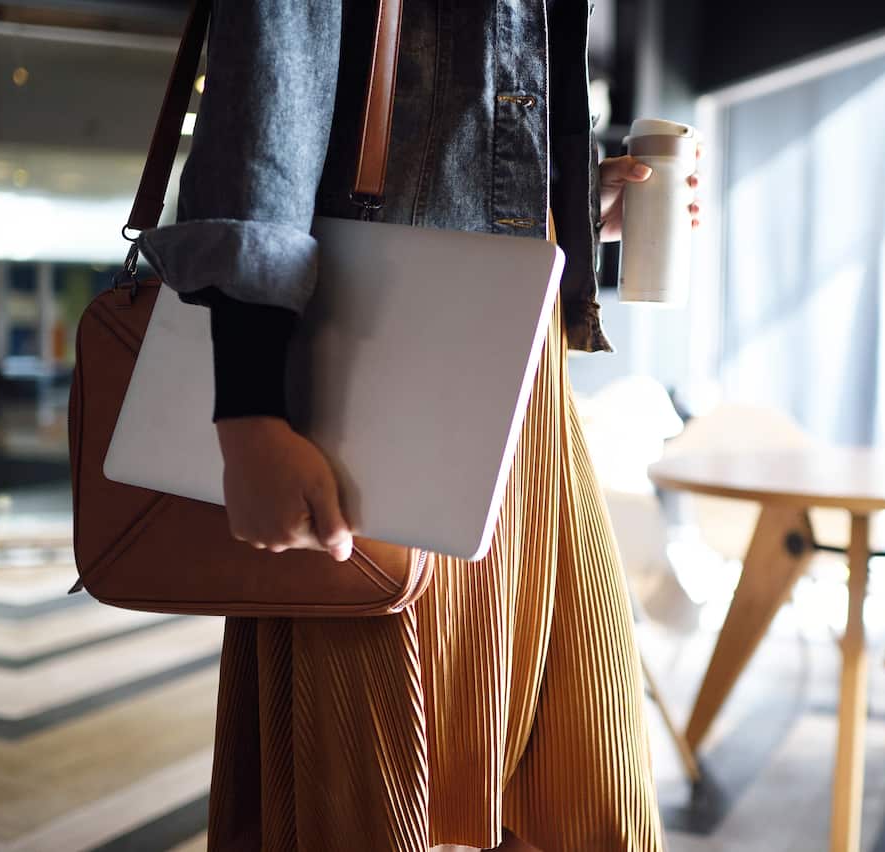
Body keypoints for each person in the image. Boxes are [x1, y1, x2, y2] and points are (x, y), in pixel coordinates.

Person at [136, 1, 701, 849]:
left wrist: (574, 198)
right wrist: (250, 405)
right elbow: (265, 101)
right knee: (367, 795)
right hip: (374, 366)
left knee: (583, 791)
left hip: (517, 371)